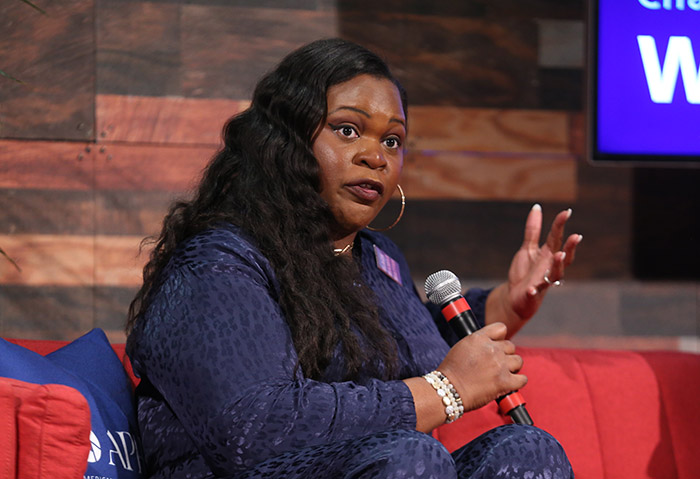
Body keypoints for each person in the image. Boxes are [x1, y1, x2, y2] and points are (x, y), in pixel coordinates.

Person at [126, 38, 582, 478]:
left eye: (392, 141)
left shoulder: (375, 257)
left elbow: (415, 340)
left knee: (530, 449)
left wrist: (507, 304)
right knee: (410, 455)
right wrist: (444, 392)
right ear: (285, 139)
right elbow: (254, 427)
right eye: (348, 130)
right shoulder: (217, 263)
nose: (375, 157)